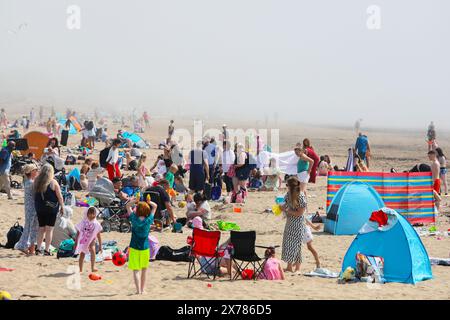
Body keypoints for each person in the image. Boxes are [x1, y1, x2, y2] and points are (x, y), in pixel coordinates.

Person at [125, 199, 157, 295]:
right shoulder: (149, 219)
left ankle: (138, 290)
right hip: (145, 248)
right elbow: (155, 206)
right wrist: (149, 201)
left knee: (136, 270)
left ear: (137, 210)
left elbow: (127, 206)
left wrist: (136, 200)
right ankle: (143, 290)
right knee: (144, 270)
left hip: (134, 247)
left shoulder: (134, 218)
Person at [34, 164, 65, 256]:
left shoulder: (37, 181)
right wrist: (62, 207)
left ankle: (38, 249)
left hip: (40, 207)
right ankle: (47, 250)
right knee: (49, 229)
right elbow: (60, 197)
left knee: (41, 229)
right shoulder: (53, 182)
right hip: (51, 209)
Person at [281, 177, 307, 273]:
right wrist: (280, 207)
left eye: (287, 185)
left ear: (291, 186)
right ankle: (291, 267)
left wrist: (288, 210)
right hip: (290, 222)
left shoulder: (300, 196)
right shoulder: (288, 195)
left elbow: (300, 213)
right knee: (289, 243)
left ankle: (296, 268)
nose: (286, 187)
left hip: (298, 223)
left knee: (296, 244)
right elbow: (284, 204)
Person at [14, 164, 39, 255]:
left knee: (31, 227)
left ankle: (28, 247)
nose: (37, 171)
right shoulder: (30, 183)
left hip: (30, 207)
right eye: (36, 170)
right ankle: (23, 245)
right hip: (31, 207)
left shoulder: (29, 181)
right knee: (29, 227)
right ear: (32, 171)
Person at [74, 207, 103, 273]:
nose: (92, 215)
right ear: (86, 214)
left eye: (93, 214)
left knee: (93, 250)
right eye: (90, 214)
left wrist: (100, 246)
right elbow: (78, 232)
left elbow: (98, 235)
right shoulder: (83, 222)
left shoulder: (96, 223)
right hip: (84, 240)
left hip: (92, 239)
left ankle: (93, 267)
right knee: (82, 254)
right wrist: (76, 243)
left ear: (96, 214)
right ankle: (80, 269)